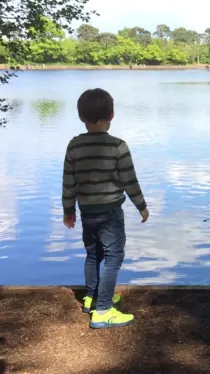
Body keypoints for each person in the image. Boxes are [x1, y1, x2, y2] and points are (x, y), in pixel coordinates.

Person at [62, 88, 149, 329]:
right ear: (112, 114)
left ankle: (92, 297)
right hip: (110, 212)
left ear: (81, 117)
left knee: (93, 254)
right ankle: (103, 310)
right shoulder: (118, 146)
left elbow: (68, 181)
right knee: (113, 257)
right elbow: (129, 180)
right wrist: (141, 206)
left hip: (86, 212)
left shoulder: (74, 146)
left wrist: (68, 210)